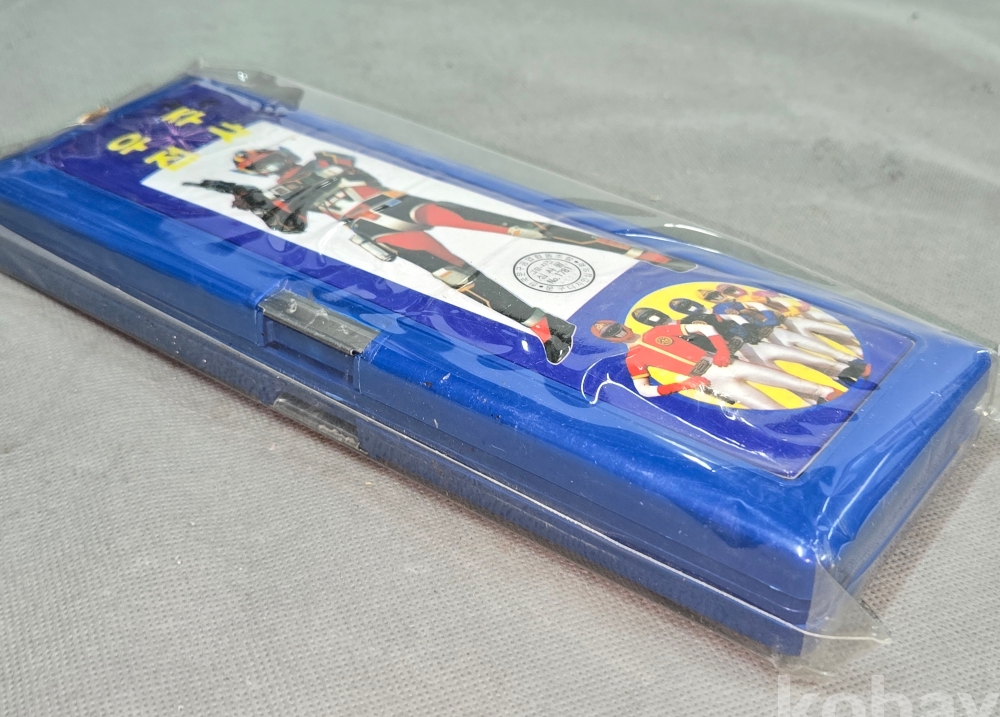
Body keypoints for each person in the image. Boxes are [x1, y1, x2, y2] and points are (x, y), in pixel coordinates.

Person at [186, 148, 696, 364]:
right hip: (369, 226)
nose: (263, 164)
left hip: (398, 204)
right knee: (458, 277)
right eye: (253, 166)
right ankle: (545, 327)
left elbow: (346, 169)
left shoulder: (320, 160)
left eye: (259, 160)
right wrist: (254, 201)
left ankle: (638, 253)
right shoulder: (279, 191)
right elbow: (290, 226)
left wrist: (299, 191)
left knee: (521, 229)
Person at [591, 319, 842, 410]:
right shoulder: (633, 359)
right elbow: (644, 390)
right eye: (611, 333)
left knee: (798, 383)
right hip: (710, 379)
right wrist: (681, 385)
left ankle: (835, 395)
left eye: (616, 327)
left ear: (622, 325)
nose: (618, 332)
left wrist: (721, 350)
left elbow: (705, 327)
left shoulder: (657, 332)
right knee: (768, 407)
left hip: (719, 362)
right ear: (609, 340)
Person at [661, 301, 870, 386]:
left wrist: (748, 321)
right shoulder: (685, 330)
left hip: (767, 335)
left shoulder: (718, 311)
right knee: (790, 378)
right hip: (745, 351)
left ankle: (854, 366)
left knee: (815, 355)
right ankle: (844, 384)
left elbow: (758, 315)